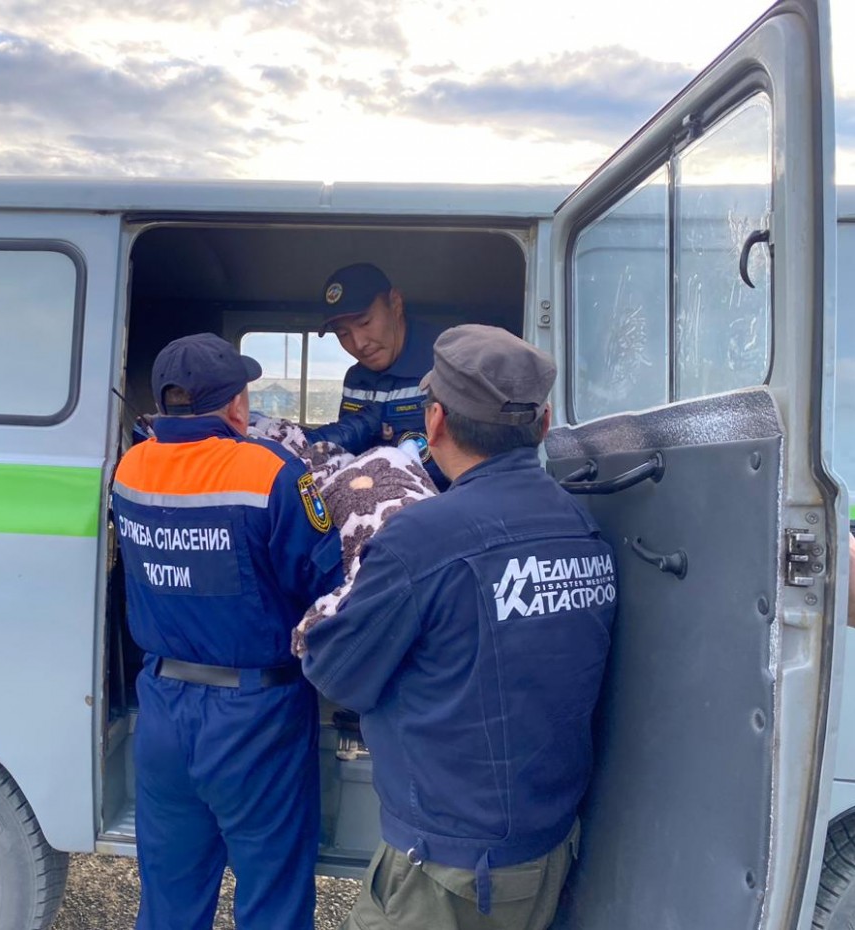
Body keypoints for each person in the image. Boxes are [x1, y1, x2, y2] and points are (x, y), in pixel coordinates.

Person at [303, 324, 617, 930]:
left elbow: (336, 672)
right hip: (546, 846)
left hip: (446, 872)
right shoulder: (581, 526)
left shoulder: (421, 538)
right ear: (543, 425)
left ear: (436, 423)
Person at [111, 332, 345, 930]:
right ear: (238, 405)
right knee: (271, 899)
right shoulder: (269, 471)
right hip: (255, 714)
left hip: (162, 706)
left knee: (170, 900)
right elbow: (323, 584)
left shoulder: (130, 467)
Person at [309, 262, 448, 489]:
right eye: (343, 334)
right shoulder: (355, 379)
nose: (359, 343)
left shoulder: (446, 361)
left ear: (395, 303)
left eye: (365, 322)